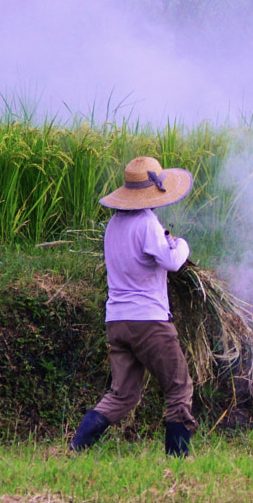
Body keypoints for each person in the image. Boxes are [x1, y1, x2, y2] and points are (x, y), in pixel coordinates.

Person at [68, 155, 198, 457]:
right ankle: (177, 460)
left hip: (117, 321)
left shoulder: (113, 225)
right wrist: (181, 244)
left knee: (123, 394)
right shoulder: (147, 222)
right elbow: (172, 262)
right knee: (179, 387)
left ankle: (76, 448)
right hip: (149, 322)